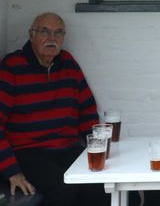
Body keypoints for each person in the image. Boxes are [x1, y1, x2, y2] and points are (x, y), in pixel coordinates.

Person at [0, 12, 108, 206]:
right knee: (63, 189)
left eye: (58, 33)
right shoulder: (12, 67)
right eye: (45, 32)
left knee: (97, 184)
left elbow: (87, 109)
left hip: (67, 147)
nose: (52, 38)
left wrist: (98, 147)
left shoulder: (68, 63)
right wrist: (11, 171)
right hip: (28, 151)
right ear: (31, 35)